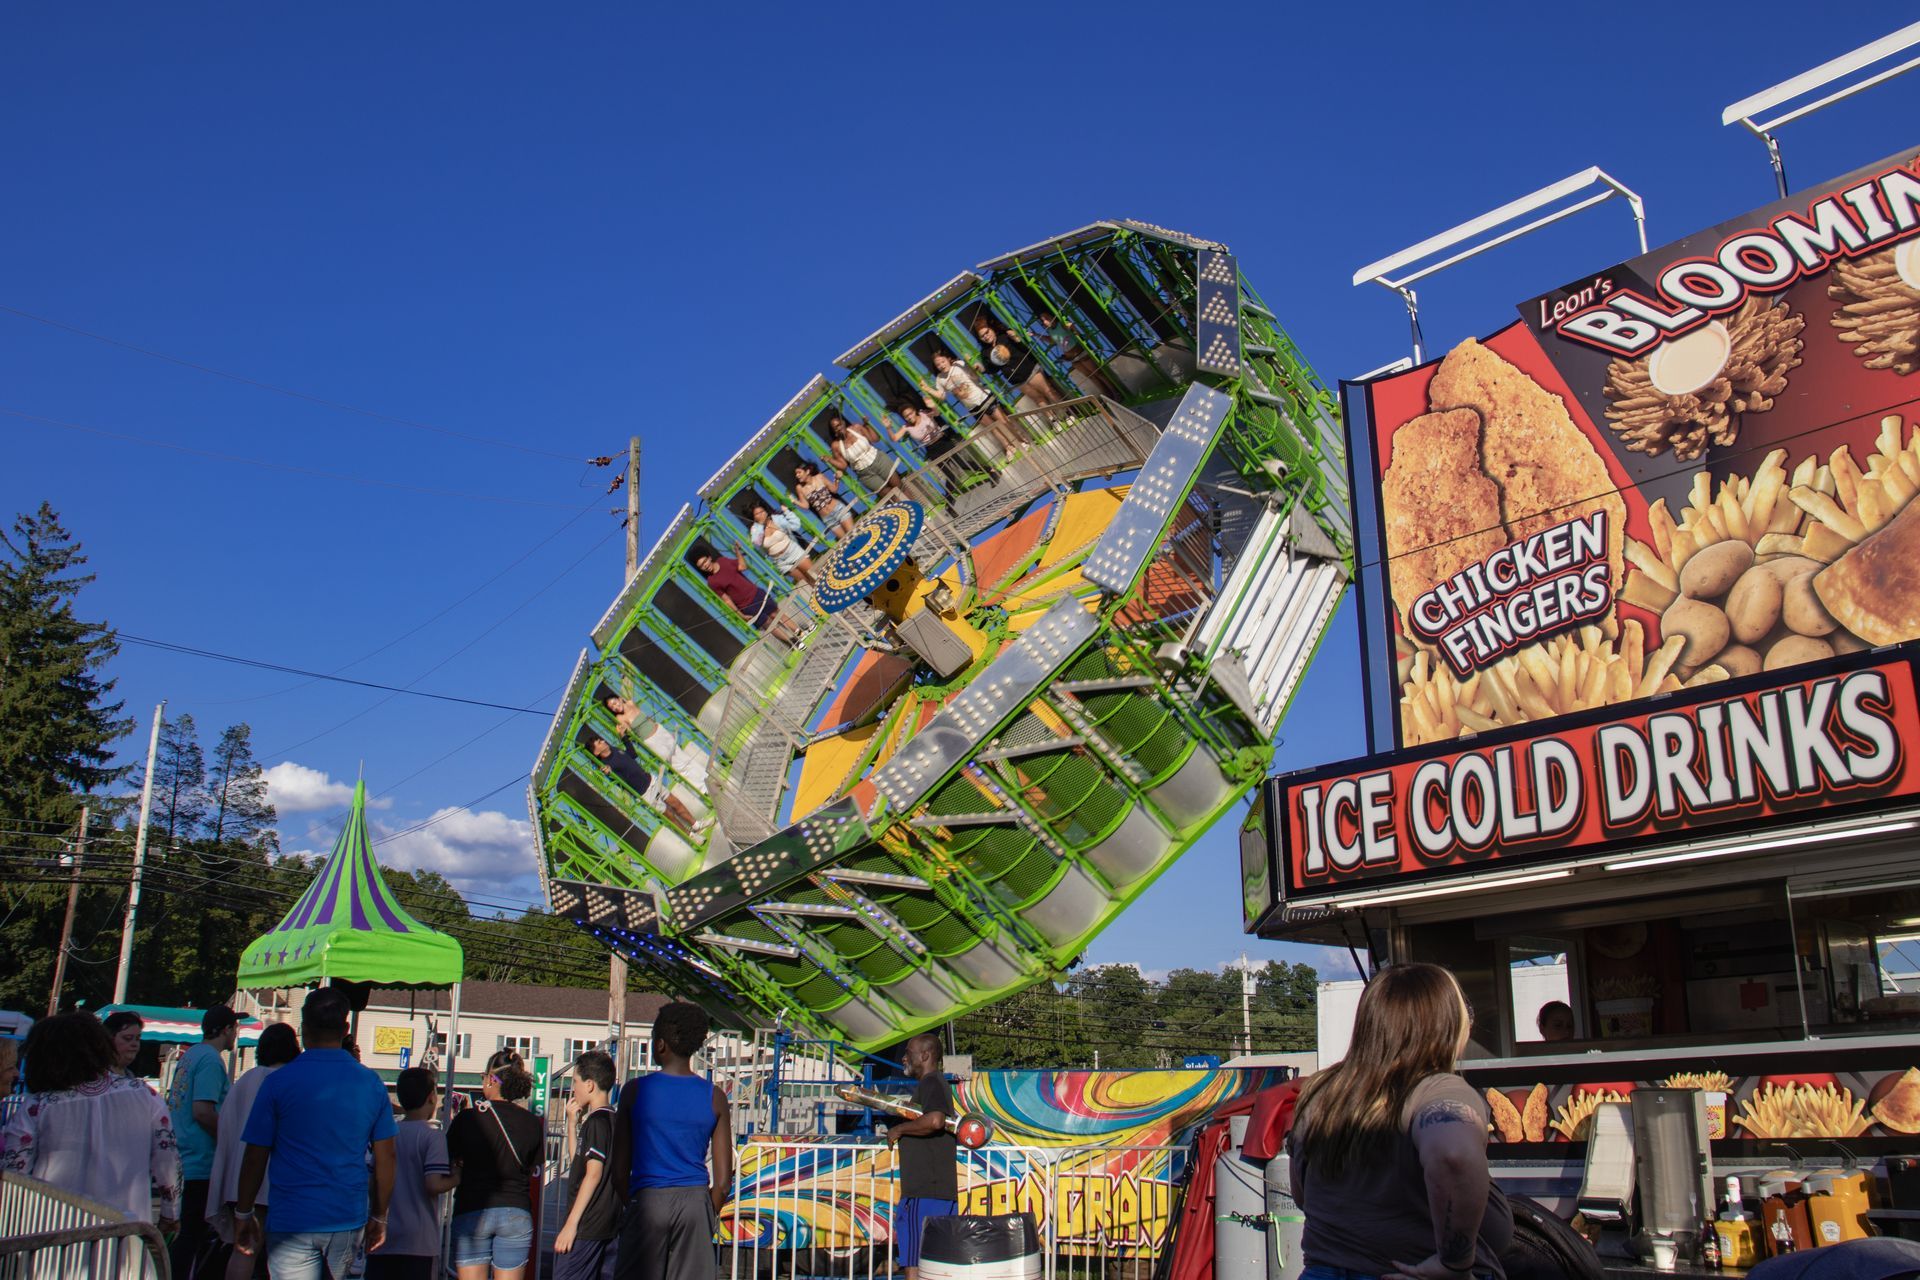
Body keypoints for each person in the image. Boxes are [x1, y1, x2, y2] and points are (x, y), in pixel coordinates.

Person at [1287, 963, 1513, 1280]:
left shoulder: (1320, 1093)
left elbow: (1303, 1195)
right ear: (1447, 1024)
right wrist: (1453, 1264)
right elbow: (1454, 1156)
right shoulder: (1438, 1091)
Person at [233, 988, 397, 1280]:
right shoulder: (370, 1083)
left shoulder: (277, 1083)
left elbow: (255, 1156)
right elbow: (386, 1156)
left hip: (291, 1217)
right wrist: (379, 1215)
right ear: (346, 1029)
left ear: (302, 1029)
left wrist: (244, 1212)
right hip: (346, 1214)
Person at [1, 1013, 178, 1224]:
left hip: (53, 1239)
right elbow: (167, 1161)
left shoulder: (37, 1108)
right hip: (126, 1237)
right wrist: (171, 1214)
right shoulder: (145, 1096)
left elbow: (16, 1176)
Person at [611, 1002, 733, 1280]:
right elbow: (724, 1183)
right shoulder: (715, 1096)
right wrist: (704, 1212)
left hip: (648, 1200)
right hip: (694, 1201)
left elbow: (619, 1171)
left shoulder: (634, 1092)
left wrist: (633, 1205)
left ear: (660, 1045)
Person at [207, 1022, 300, 1280]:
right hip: (276, 1182)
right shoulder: (290, 1084)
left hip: (238, 1180)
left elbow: (225, 1129)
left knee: (244, 1250)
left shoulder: (244, 1081)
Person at [446, 1048, 546, 1280]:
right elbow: (530, 1168)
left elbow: (449, 1159)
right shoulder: (532, 1123)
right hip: (516, 1211)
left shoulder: (468, 1118)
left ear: (493, 1079)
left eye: (484, 1076)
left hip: (473, 1208)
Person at [169, 1004, 240, 1279]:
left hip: (183, 1155)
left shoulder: (191, 1055)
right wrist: (230, 1142)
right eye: (235, 1028)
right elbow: (203, 1111)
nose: (236, 1034)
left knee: (187, 1233)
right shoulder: (211, 1060)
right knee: (196, 1235)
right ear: (226, 1030)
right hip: (201, 1159)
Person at [368, 1067, 458, 1280]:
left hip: (382, 1236)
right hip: (419, 1240)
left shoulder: (388, 1133)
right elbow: (434, 1184)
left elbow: (374, 1178)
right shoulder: (432, 1137)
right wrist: (457, 1177)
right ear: (432, 1098)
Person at [882, 1034, 957, 1280]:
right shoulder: (935, 1084)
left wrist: (899, 1129)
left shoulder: (931, 1082)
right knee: (934, 1261)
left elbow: (935, 1120)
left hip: (924, 1192)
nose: (904, 1057)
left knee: (914, 1259)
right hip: (934, 1191)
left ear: (925, 1056)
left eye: (909, 1052)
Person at [555, 1050, 621, 1280]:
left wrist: (571, 1224)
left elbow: (593, 1174)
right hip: (608, 1223)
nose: (573, 1088)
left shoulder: (598, 1122)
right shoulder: (612, 1119)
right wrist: (573, 1124)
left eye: (575, 1082)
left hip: (588, 1224)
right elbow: (579, 1165)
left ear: (590, 1085)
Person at [589, 735, 706, 836]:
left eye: (601, 740)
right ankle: (689, 835)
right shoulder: (605, 766)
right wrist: (610, 773)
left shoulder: (614, 750)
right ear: (596, 752)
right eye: (599, 743)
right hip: (644, 793)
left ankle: (696, 825)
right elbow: (619, 781)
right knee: (669, 814)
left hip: (651, 780)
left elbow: (632, 755)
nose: (603, 741)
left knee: (675, 802)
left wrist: (624, 737)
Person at [919, 348, 1016, 454]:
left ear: (948, 359)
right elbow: (942, 396)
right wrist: (927, 389)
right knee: (992, 428)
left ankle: (1020, 440)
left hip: (983, 397)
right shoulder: (940, 378)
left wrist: (971, 364)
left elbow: (975, 376)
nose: (941, 365)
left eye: (943, 361)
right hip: (973, 407)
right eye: (938, 365)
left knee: (1003, 420)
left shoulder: (959, 364)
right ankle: (1009, 447)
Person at [694, 550, 800, 645]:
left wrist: (738, 552)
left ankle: (799, 631)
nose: (705, 566)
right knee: (768, 625)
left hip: (756, 593)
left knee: (776, 613)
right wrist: (741, 615)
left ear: (709, 557)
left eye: (704, 562)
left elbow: (742, 567)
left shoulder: (723, 561)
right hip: (747, 606)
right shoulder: (712, 582)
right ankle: (793, 642)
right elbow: (726, 600)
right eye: (701, 566)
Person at [971, 315, 1062, 412]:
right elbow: (992, 369)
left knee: (1048, 390)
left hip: (1030, 369)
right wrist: (981, 368)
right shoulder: (985, 352)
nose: (986, 336)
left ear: (992, 329)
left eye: (987, 332)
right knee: (1038, 399)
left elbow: (1024, 347)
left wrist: (1017, 339)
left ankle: (1066, 414)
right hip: (1016, 380)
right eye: (982, 336)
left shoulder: (1005, 336)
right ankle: (1054, 420)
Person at [827, 414, 900, 498]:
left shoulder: (856, 428)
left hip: (879, 460)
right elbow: (843, 466)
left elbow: (875, 439)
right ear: (834, 432)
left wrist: (867, 425)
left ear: (843, 422)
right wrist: (829, 459)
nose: (839, 428)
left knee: (899, 487)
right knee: (890, 496)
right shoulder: (836, 445)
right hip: (866, 475)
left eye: (839, 424)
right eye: (835, 428)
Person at [749, 501, 815, 585]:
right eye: (757, 514)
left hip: (794, 552)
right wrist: (761, 526)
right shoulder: (755, 529)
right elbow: (757, 543)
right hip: (781, 562)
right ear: (754, 517)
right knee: (807, 583)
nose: (761, 514)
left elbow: (795, 526)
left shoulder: (777, 519)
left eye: (762, 511)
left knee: (814, 575)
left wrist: (787, 512)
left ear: (766, 511)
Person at [792, 462, 857, 538]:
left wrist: (837, 479)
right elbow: (806, 506)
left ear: (807, 471)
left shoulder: (820, 477)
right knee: (846, 541)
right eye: (796, 474)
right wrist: (794, 501)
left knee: (854, 535)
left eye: (799, 472)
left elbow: (834, 489)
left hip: (838, 509)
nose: (797, 475)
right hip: (828, 519)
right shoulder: (800, 488)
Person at [104, 1009, 146, 1080]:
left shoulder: (130, 1075)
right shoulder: (95, 1076)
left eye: (137, 1039)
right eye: (128, 1038)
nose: (135, 1044)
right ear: (110, 1039)